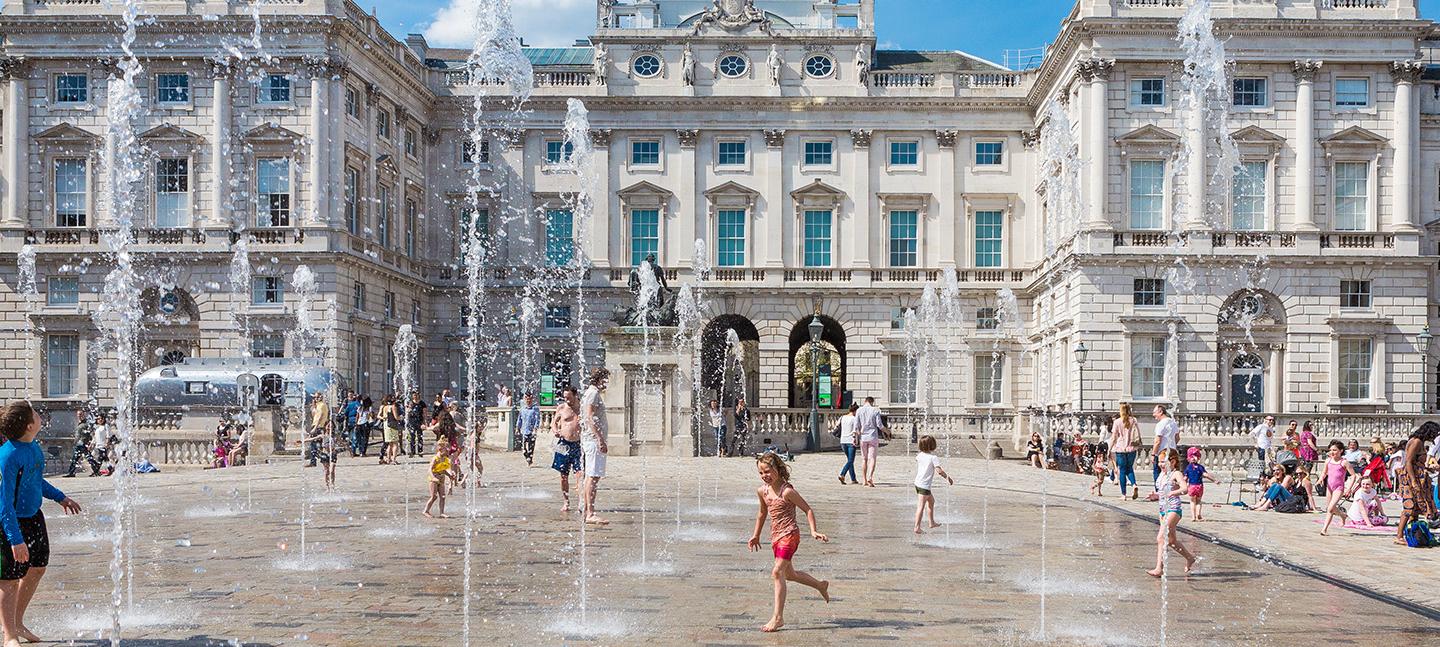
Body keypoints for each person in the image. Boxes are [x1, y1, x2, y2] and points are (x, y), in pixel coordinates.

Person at [0, 401, 84, 647]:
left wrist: (61, 497)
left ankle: (17, 622)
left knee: (37, 568)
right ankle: (9, 635)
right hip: (10, 522)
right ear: (29, 425)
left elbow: (37, 482)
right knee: (8, 580)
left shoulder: (33, 448)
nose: (39, 415)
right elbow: (4, 504)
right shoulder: (7, 456)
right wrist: (15, 539)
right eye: (35, 414)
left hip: (34, 517)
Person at [747, 452, 830, 633]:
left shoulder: (787, 491)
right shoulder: (762, 491)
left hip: (790, 535)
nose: (764, 476)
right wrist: (756, 535)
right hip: (776, 537)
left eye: (768, 471)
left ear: (778, 469)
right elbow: (762, 514)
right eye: (761, 473)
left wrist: (813, 531)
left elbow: (807, 509)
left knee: (777, 572)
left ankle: (778, 618)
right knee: (789, 575)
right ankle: (820, 585)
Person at [1148, 448, 1197, 578]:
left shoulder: (1176, 474)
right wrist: (1155, 496)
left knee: (1161, 538)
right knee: (1171, 541)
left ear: (1173, 462)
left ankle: (1159, 568)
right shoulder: (1161, 475)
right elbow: (1162, 493)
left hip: (1174, 509)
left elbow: (1185, 489)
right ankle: (1190, 558)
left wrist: (1172, 493)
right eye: (1159, 462)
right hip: (1163, 510)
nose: (1160, 464)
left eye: (1163, 462)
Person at [1394, 422, 1440, 546]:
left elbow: (1416, 462)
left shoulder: (1419, 441)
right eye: (1433, 434)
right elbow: (1408, 462)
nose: (1434, 437)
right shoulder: (1416, 442)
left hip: (1417, 476)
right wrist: (1414, 481)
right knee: (1409, 507)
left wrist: (1430, 469)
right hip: (1410, 479)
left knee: (1415, 509)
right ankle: (1399, 536)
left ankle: (1413, 534)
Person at [580, 369, 611, 525]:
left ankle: (587, 510)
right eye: (606, 379)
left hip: (591, 440)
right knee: (593, 477)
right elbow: (590, 417)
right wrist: (600, 439)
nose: (607, 383)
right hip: (593, 441)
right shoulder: (593, 393)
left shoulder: (590, 393)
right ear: (600, 379)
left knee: (590, 476)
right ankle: (590, 513)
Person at [912, 435, 953, 534]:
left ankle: (931, 522)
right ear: (933, 445)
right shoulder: (933, 458)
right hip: (924, 485)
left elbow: (917, 459)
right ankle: (917, 527)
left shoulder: (920, 455)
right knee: (921, 506)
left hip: (918, 483)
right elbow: (939, 471)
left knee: (931, 501)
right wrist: (947, 477)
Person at [551, 386, 583, 512]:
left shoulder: (581, 408)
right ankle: (566, 501)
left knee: (580, 474)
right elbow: (553, 423)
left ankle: (581, 501)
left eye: (569, 397)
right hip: (563, 444)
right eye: (565, 397)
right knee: (563, 476)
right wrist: (555, 431)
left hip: (578, 445)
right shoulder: (562, 408)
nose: (567, 400)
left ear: (575, 395)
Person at [1318, 440, 1358, 536]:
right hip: (1329, 487)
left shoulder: (1344, 462)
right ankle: (1343, 515)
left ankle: (1324, 529)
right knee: (1330, 508)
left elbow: (1353, 475)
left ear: (1341, 450)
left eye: (1335, 450)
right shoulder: (1328, 460)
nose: (1332, 452)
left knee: (1331, 508)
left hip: (1339, 488)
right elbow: (1324, 472)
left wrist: (1349, 488)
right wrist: (1321, 479)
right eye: (1331, 450)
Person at [302, 408, 340, 491]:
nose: (330, 427)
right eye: (328, 426)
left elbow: (342, 442)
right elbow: (312, 439)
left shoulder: (334, 436)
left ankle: (332, 485)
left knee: (332, 470)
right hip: (324, 455)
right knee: (327, 471)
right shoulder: (322, 436)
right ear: (325, 427)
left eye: (331, 426)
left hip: (332, 454)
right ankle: (328, 487)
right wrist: (303, 441)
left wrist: (349, 449)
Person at [1111, 404, 1141, 499]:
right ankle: (1134, 484)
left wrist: (1109, 449)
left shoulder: (1117, 422)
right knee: (1130, 468)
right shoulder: (1134, 420)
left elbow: (1114, 437)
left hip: (1120, 449)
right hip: (1132, 448)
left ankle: (1123, 494)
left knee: (1122, 471)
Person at [1149, 404, 1179, 499]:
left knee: (1158, 473)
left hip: (1162, 453)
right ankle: (1170, 492)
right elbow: (1177, 437)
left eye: (1155, 412)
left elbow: (1157, 441)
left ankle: (1160, 494)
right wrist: (1171, 445)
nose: (1154, 415)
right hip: (1172, 452)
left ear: (1161, 412)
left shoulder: (1161, 424)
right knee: (1170, 473)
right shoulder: (1173, 422)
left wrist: (1153, 454)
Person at [1182, 447, 1218, 521]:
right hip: (1199, 486)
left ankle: (1193, 516)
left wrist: (1182, 486)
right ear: (1198, 458)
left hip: (1191, 486)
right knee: (1198, 501)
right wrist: (1214, 480)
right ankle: (1198, 514)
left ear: (1188, 458)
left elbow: (1185, 478)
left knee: (1192, 501)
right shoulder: (1200, 467)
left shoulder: (1188, 468)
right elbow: (1206, 475)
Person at [855, 397, 883, 487]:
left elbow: (856, 426)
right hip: (873, 437)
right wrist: (887, 431)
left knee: (864, 459)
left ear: (865, 401)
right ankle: (870, 477)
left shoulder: (859, 410)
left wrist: (856, 436)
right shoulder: (875, 410)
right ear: (872, 402)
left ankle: (864, 480)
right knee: (872, 458)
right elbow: (879, 425)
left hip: (863, 437)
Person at [423, 443, 455, 519]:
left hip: (441, 478)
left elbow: (444, 470)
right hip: (434, 479)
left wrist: (450, 475)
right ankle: (426, 511)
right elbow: (429, 469)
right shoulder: (435, 458)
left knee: (442, 496)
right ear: (440, 450)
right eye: (446, 450)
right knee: (434, 496)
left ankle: (442, 512)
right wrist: (433, 477)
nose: (448, 451)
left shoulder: (445, 459)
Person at [64, 411, 100, 478]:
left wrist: (89, 442)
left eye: (81, 414)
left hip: (83, 443)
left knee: (84, 458)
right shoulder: (80, 424)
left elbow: (90, 433)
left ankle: (96, 469)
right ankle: (96, 469)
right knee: (82, 458)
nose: (79, 416)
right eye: (78, 414)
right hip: (79, 444)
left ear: (84, 415)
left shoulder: (86, 424)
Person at [836, 403, 859, 484]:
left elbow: (837, 425)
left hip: (843, 441)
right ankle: (842, 474)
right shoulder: (854, 419)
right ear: (855, 411)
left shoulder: (842, 417)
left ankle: (853, 479)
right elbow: (855, 431)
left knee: (849, 460)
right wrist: (856, 440)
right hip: (850, 441)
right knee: (850, 460)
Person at [307, 393, 329, 467]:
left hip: (318, 426)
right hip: (318, 425)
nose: (315, 399)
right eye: (314, 397)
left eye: (317, 397)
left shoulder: (322, 405)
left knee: (314, 444)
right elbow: (314, 416)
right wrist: (313, 406)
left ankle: (314, 461)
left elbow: (320, 417)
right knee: (319, 445)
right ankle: (321, 459)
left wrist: (314, 428)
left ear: (321, 397)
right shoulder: (319, 405)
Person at [518, 393, 541, 466]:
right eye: (527, 399)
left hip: (532, 431)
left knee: (531, 447)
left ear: (532, 399)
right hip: (524, 430)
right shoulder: (522, 409)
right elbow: (520, 419)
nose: (528, 400)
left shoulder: (535, 409)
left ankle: (530, 459)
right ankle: (527, 456)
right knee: (524, 448)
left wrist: (535, 428)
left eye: (529, 399)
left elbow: (537, 419)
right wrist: (517, 427)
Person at [379, 394, 401, 465]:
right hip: (392, 426)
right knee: (395, 443)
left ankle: (388, 459)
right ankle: (393, 459)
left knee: (389, 444)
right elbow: (396, 417)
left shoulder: (385, 407)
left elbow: (381, 416)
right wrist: (402, 417)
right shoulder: (393, 407)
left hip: (386, 425)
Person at [404, 391, 427, 458]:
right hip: (412, 422)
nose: (415, 396)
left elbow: (424, 413)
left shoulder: (422, 403)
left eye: (416, 395)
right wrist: (409, 408)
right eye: (414, 395)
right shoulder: (410, 402)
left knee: (420, 437)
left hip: (419, 421)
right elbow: (407, 412)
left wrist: (425, 422)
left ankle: (420, 451)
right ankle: (412, 452)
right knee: (412, 437)